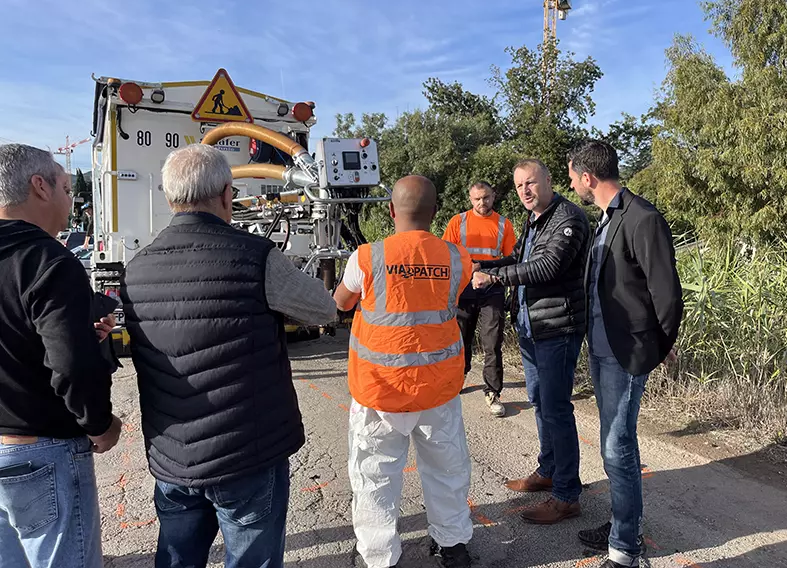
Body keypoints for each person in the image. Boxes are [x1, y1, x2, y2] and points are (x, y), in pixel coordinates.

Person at [120, 144, 337, 568]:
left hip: (173, 458)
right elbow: (324, 309)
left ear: (169, 198)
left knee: (178, 558)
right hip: (247, 455)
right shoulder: (255, 257)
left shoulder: (137, 268)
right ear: (226, 194)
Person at [334, 175, 474, 568]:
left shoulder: (366, 257)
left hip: (380, 391)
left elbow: (342, 303)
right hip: (437, 389)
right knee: (446, 470)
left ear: (391, 211)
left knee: (375, 474)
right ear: (434, 212)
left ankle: (379, 558)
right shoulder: (456, 257)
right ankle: (453, 546)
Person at [0, 143, 122, 568]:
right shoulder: (48, 259)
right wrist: (100, 425)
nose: (72, 201)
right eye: (68, 188)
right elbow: (70, 366)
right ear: (40, 187)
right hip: (40, 450)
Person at [567, 140, 683, 568]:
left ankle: (626, 551)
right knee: (612, 445)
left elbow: (667, 296)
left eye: (573, 177)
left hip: (625, 354)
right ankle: (623, 524)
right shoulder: (604, 220)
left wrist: (656, 348)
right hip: (600, 349)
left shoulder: (642, 218)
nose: (572, 184)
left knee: (618, 448)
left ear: (588, 178)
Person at [473, 159, 589, 524]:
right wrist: (481, 264)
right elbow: (520, 259)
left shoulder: (567, 219)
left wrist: (493, 279)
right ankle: (549, 470)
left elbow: (546, 268)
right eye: (519, 185)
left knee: (556, 408)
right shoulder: (533, 220)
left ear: (549, 181)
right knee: (541, 403)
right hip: (531, 327)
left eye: (531, 183)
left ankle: (567, 494)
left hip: (557, 329)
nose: (525, 190)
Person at [442, 181, 516, 417]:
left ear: (493, 196)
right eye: (477, 199)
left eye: (485, 198)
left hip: (492, 288)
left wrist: (487, 272)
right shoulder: (458, 222)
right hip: (464, 288)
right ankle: (457, 379)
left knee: (492, 341)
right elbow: (446, 254)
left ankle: (493, 391)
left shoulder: (504, 224)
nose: (481, 203)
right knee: (461, 338)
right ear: (470, 198)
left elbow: (512, 258)